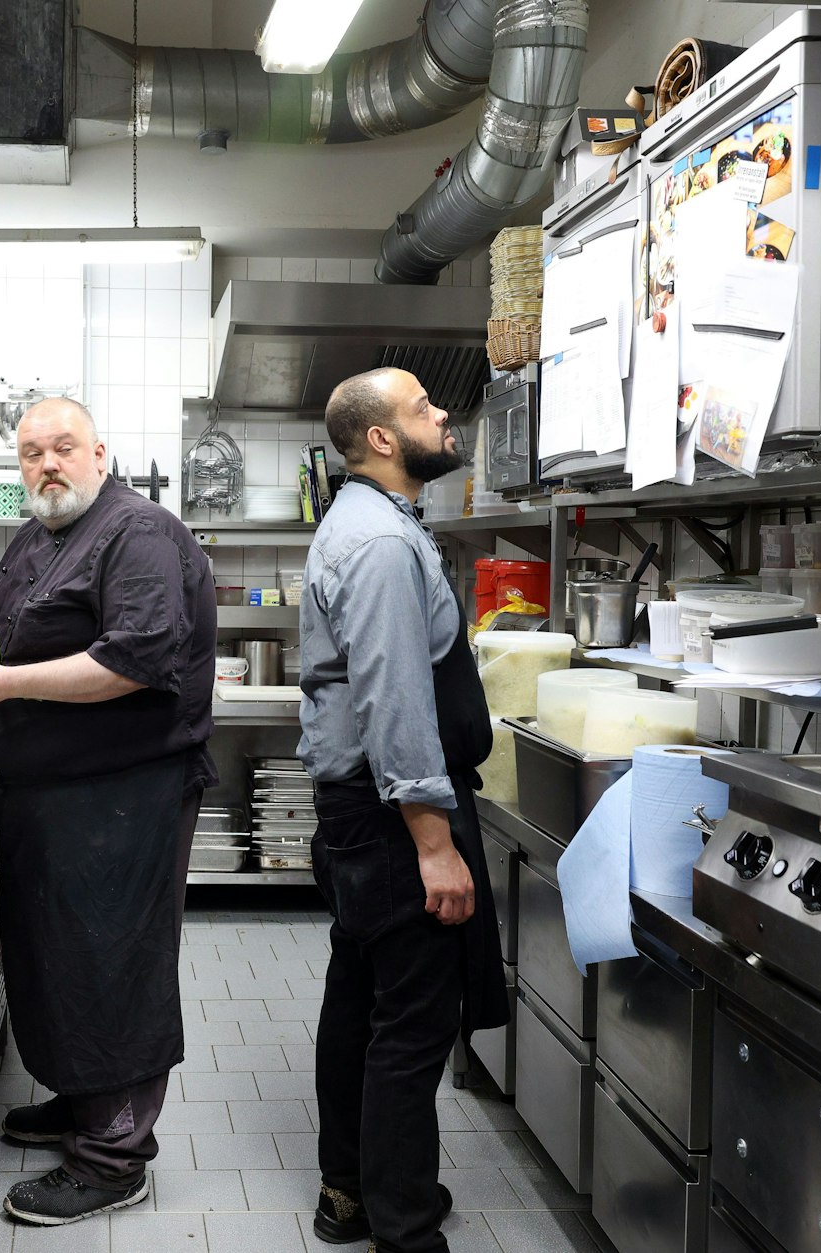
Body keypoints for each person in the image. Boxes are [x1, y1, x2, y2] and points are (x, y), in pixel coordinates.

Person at [0, 397, 217, 1227]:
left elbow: (133, 660)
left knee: (111, 963)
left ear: (100, 452)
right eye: (31, 453)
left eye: (63, 448)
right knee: (56, 956)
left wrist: (1, 683)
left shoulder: (139, 534)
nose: (47, 465)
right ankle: (85, 1100)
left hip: (126, 795)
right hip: (53, 795)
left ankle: (115, 1155)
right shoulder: (44, 533)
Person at [296, 368, 508, 1253]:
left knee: (362, 999)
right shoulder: (380, 543)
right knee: (413, 1024)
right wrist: (434, 840)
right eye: (424, 407)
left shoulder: (375, 525)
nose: (443, 415)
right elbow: (393, 698)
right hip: (392, 820)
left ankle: (352, 1194)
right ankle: (405, 1229)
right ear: (383, 439)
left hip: (364, 811)